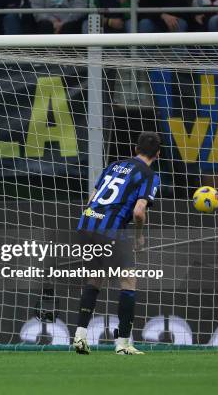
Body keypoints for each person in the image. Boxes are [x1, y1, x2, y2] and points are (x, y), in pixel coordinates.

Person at [72, 132, 161, 356]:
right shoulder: (149, 175)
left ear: (135, 149)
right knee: (128, 280)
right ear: (158, 154)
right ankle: (123, 343)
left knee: (94, 278)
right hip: (110, 229)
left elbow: (91, 198)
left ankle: (80, 335)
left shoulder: (114, 166)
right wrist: (139, 236)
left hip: (86, 224)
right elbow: (139, 212)